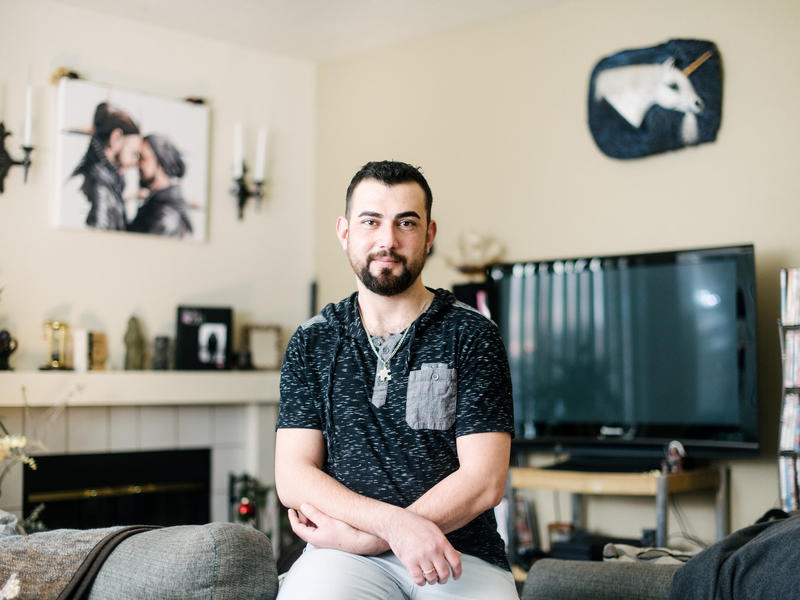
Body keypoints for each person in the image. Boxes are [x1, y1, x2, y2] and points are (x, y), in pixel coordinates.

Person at [275, 160, 517, 599]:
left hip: (460, 554)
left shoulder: (473, 334)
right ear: (345, 231)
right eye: (371, 221)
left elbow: (485, 479)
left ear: (429, 235)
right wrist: (394, 527)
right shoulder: (312, 340)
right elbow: (293, 474)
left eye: (406, 222)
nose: (388, 240)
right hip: (341, 559)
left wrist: (370, 537)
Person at [71, 102, 141, 230]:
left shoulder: (109, 181)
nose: (134, 162)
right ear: (116, 138)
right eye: (134, 153)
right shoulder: (97, 184)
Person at [128, 134, 193, 238]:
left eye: (143, 158)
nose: (137, 164)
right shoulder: (157, 203)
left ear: (161, 162)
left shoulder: (166, 213)